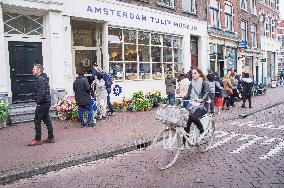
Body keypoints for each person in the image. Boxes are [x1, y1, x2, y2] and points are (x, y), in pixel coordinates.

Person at [28, 64, 54, 146]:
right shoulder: (43, 78)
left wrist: (38, 102)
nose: (32, 70)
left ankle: (37, 139)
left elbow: (42, 93)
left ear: (39, 70)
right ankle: (51, 137)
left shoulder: (40, 79)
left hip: (43, 103)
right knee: (47, 120)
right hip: (46, 102)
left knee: (37, 120)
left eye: (34, 69)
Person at [183, 67, 209, 138]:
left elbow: (206, 93)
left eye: (195, 73)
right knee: (186, 123)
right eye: (192, 73)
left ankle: (201, 130)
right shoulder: (192, 83)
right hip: (192, 105)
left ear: (199, 74)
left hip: (202, 105)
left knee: (193, 117)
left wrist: (201, 99)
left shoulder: (204, 82)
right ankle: (184, 142)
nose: (193, 75)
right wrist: (182, 98)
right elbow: (189, 94)